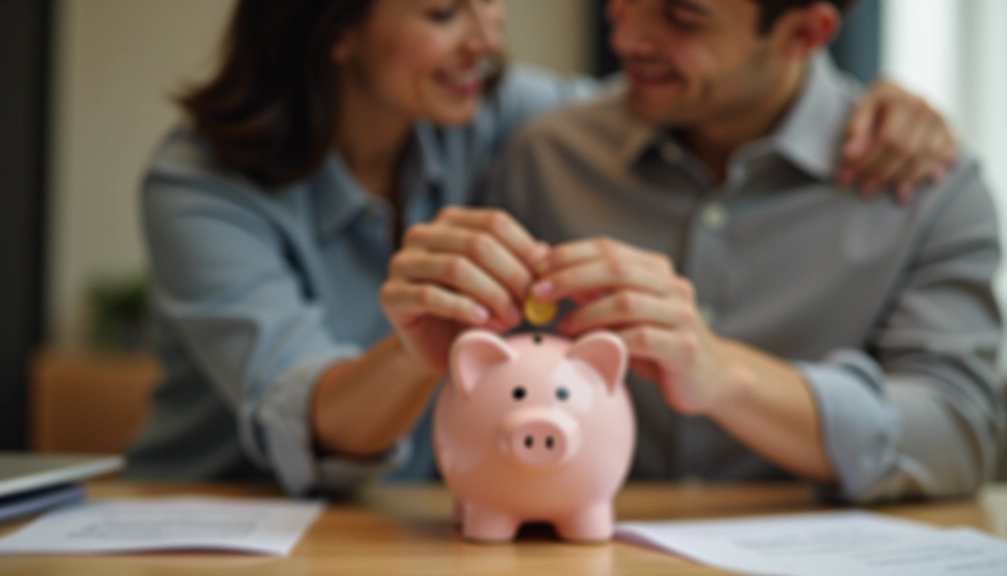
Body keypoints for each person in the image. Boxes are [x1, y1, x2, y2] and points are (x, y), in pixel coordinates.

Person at [127, 0, 962, 498]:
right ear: (333, 28)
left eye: (489, 3)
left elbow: (693, 96)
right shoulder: (199, 184)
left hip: (419, 525)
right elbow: (294, 414)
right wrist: (415, 354)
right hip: (223, 515)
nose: (486, 42)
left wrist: (869, 104)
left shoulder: (499, 116)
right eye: (443, 12)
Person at [387, 0, 1007, 502]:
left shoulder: (929, 192)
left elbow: (958, 432)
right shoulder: (547, 155)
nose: (627, 36)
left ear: (805, 32)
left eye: (681, 16)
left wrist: (726, 376)